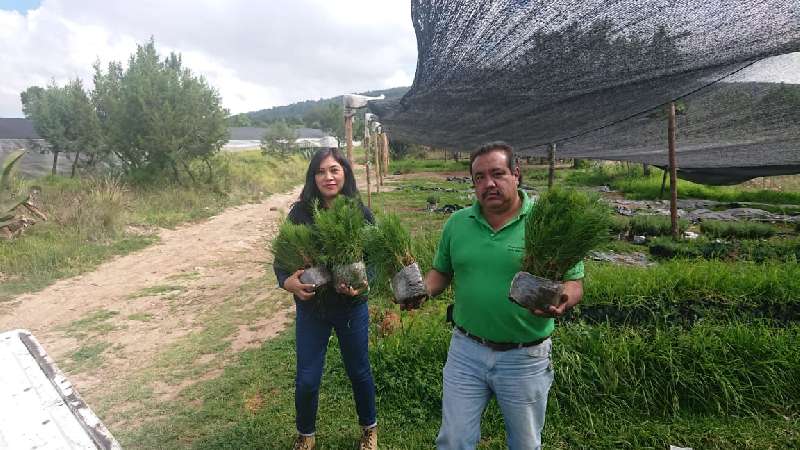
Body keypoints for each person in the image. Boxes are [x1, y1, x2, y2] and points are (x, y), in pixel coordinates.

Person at [421, 142, 585, 450]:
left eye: (497, 174)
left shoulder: (545, 223)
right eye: (480, 177)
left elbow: (574, 283)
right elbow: (440, 273)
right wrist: (422, 291)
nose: (489, 184)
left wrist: (563, 299)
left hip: (524, 356)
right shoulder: (458, 224)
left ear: (516, 175)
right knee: (454, 440)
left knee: (525, 444)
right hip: (465, 351)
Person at [274, 148, 377, 450]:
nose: (328, 177)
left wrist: (363, 282)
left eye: (334, 169)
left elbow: (375, 258)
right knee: (307, 378)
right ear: (312, 177)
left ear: (345, 173)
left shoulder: (359, 213)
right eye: (321, 171)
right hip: (312, 310)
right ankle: (306, 435)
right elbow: (281, 260)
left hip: (351, 309)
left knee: (359, 371)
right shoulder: (300, 214)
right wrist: (288, 282)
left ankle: (369, 429)